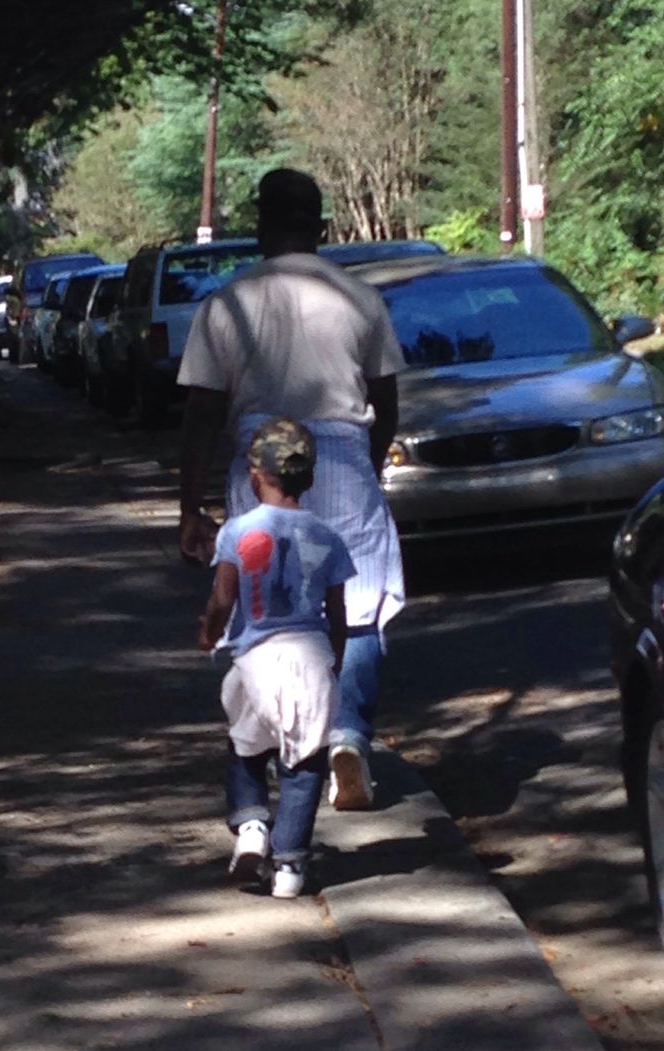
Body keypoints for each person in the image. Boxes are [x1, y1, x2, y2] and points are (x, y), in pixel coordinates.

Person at [179, 168, 405, 811]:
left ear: (258, 228)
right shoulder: (360, 298)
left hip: (261, 464)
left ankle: (275, 741)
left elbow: (199, 413)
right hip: (341, 455)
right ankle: (348, 739)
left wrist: (190, 508)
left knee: (262, 602)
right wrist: (368, 462)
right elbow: (385, 400)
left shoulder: (225, 303)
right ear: (323, 228)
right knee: (356, 603)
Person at [199, 417, 353, 899]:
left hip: (253, 660)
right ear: (308, 476)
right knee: (304, 762)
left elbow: (223, 600)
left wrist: (208, 633)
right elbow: (339, 614)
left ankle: (250, 829)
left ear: (254, 474)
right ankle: (289, 867)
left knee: (247, 748)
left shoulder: (237, 532)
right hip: (308, 657)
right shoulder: (328, 537)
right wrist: (336, 661)